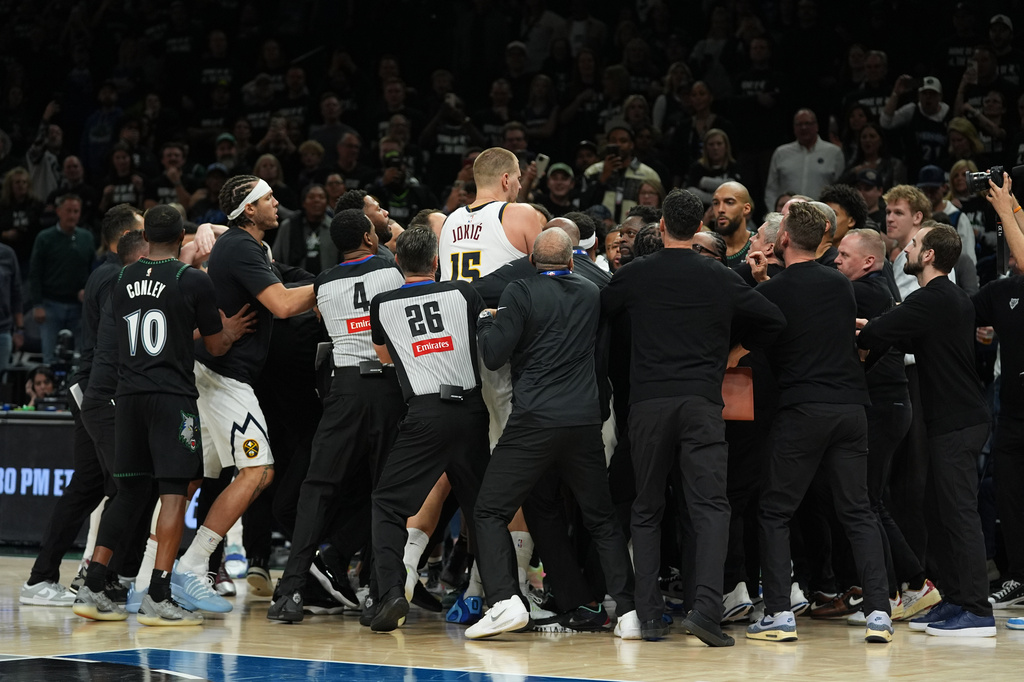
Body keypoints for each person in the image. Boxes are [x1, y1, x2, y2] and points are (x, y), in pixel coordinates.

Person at [601, 188, 786, 644]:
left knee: (646, 509)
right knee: (710, 506)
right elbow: (773, 321)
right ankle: (705, 609)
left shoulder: (636, 274)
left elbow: (600, 311)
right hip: (702, 405)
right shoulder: (719, 276)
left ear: (660, 226)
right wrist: (734, 353)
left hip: (647, 405)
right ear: (699, 226)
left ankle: (647, 615)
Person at [71, 205, 247, 626]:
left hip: (128, 398)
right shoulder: (194, 281)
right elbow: (217, 344)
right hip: (172, 399)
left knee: (127, 493)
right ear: (182, 234)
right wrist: (231, 330)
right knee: (172, 493)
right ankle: (159, 593)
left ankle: (93, 584)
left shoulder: (121, 278)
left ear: (144, 235)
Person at [467, 227, 637, 640]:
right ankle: (629, 613)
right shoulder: (591, 293)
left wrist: (487, 323)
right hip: (582, 422)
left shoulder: (520, 292)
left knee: (489, 511)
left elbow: (493, 357)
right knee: (600, 518)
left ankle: (506, 600)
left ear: (531, 261)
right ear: (570, 261)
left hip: (534, 423)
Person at [747, 202, 892, 644]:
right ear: (824, 239)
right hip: (851, 408)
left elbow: (768, 336)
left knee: (774, 511)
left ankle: (778, 615)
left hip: (803, 409)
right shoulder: (840, 285)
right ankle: (880, 613)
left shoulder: (771, 293)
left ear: (783, 240)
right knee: (859, 511)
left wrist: (760, 286)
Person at [175, 174, 316, 606]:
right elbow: (284, 305)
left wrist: (206, 227)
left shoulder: (245, 244)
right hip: (226, 378)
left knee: (194, 479)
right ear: (249, 210)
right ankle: (191, 567)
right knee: (260, 472)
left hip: (214, 375)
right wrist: (341, 281)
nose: (278, 203)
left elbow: (219, 233)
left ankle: (154, 574)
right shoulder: (240, 247)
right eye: (269, 198)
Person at [268, 208, 405, 622]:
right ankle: (382, 593)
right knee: (385, 490)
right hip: (387, 386)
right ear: (368, 237)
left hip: (343, 389)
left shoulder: (324, 281)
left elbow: (312, 316)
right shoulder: (391, 270)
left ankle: (289, 592)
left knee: (317, 488)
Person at [858, 225, 995, 637]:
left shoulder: (932, 298)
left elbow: (882, 332)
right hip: (953, 420)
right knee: (938, 512)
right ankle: (954, 598)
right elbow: (909, 339)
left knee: (959, 515)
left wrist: (861, 326)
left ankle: (976, 609)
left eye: (914, 244)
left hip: (957, 422)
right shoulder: (945, 301)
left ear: (930, 255)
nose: (906, 249)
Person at [367, 227, 491, 632]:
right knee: (482, 509)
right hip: (471, 411)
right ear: (436, 262)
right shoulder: (462, 293)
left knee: (387, 504)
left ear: (399, 263)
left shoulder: (383, 302)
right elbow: (484, 341)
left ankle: (389, 594)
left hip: (423, 414)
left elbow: (384, 354)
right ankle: (502, 595)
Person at [28, 194, 94, 364]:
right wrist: (37, 304)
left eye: (76, 211)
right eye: (68, 211)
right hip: (50, 305)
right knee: (50, 358)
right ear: (58, 211)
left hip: (79, 308)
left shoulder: (87, 238)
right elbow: (34, 273)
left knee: (80, 359)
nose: (72, 215)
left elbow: (93, 271)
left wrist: (88, 291)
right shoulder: (44, 238)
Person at [764, 109, 845, 214]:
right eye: (799, 124)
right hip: (787, 216)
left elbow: (840, 189)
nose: (803, 127)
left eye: (808, 123)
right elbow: (771, 190)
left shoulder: (834, 153)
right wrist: (775, 215)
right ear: (794, 127)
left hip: (821, 216)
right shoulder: (781, 153)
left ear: (816, 126)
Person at [582, 123, 663, 223]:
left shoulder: (648, 174)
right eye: (613, 141)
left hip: (636, 231)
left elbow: (657, 208)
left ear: (631, 145)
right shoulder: (592, 171)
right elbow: (584, 205)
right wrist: (602, 178)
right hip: (601, 230)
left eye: (623, 141)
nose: (618, 144)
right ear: (607, 144)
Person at [710, 181, 756, 269]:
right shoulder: (705, 248)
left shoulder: (760, 246)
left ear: (746, 209)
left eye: (729, 202)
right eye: (716, 203)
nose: (720, 209)